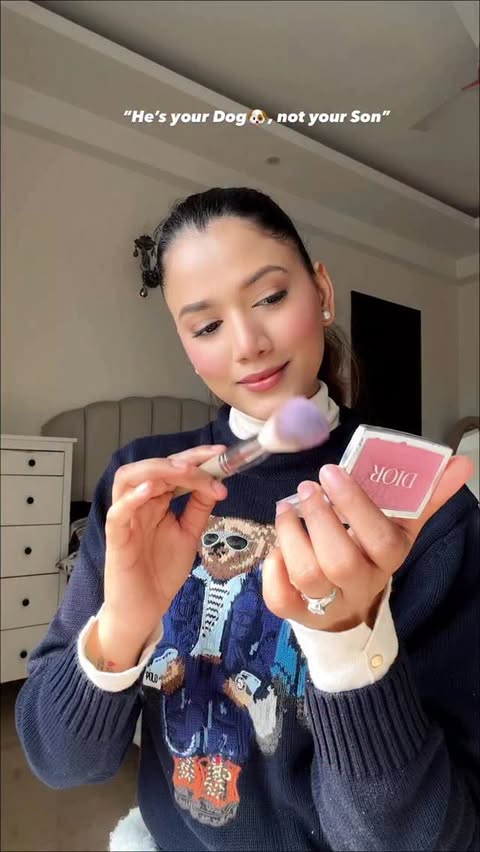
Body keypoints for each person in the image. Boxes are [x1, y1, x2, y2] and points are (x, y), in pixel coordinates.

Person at [16, 187, 479, 852]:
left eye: (271, 297)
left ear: (322, 291)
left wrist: (352, 651)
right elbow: (61, 763)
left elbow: (434, 838)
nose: (248, 345)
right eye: (206, 327)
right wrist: (122, 627)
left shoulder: (419, 505)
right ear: (185, 343)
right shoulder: (145, 488)